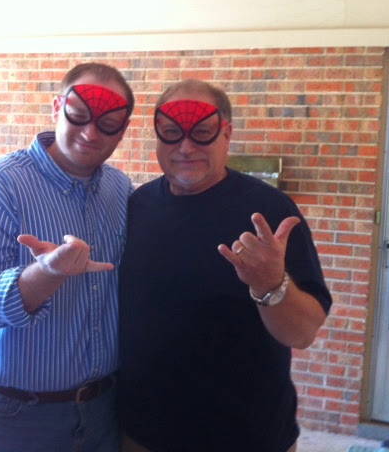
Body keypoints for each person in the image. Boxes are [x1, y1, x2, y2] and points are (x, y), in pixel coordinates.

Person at [118, 79, 332, 452]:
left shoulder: (270, 212)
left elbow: (302, 333)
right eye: (171, 133)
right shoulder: (137, 206)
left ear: (226, 134)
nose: (186, 147)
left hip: (249, 438)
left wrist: (271, 285)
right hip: (142, 436)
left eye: (202, 133)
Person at [0, 62, 134, 452]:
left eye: (107, 124)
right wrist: (46, 273)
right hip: (15, 417)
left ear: (122, 131)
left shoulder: (121, 190)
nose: (90, 132)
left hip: (103, 410)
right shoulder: (0, 184)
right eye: (79, 115)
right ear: (56, 108)